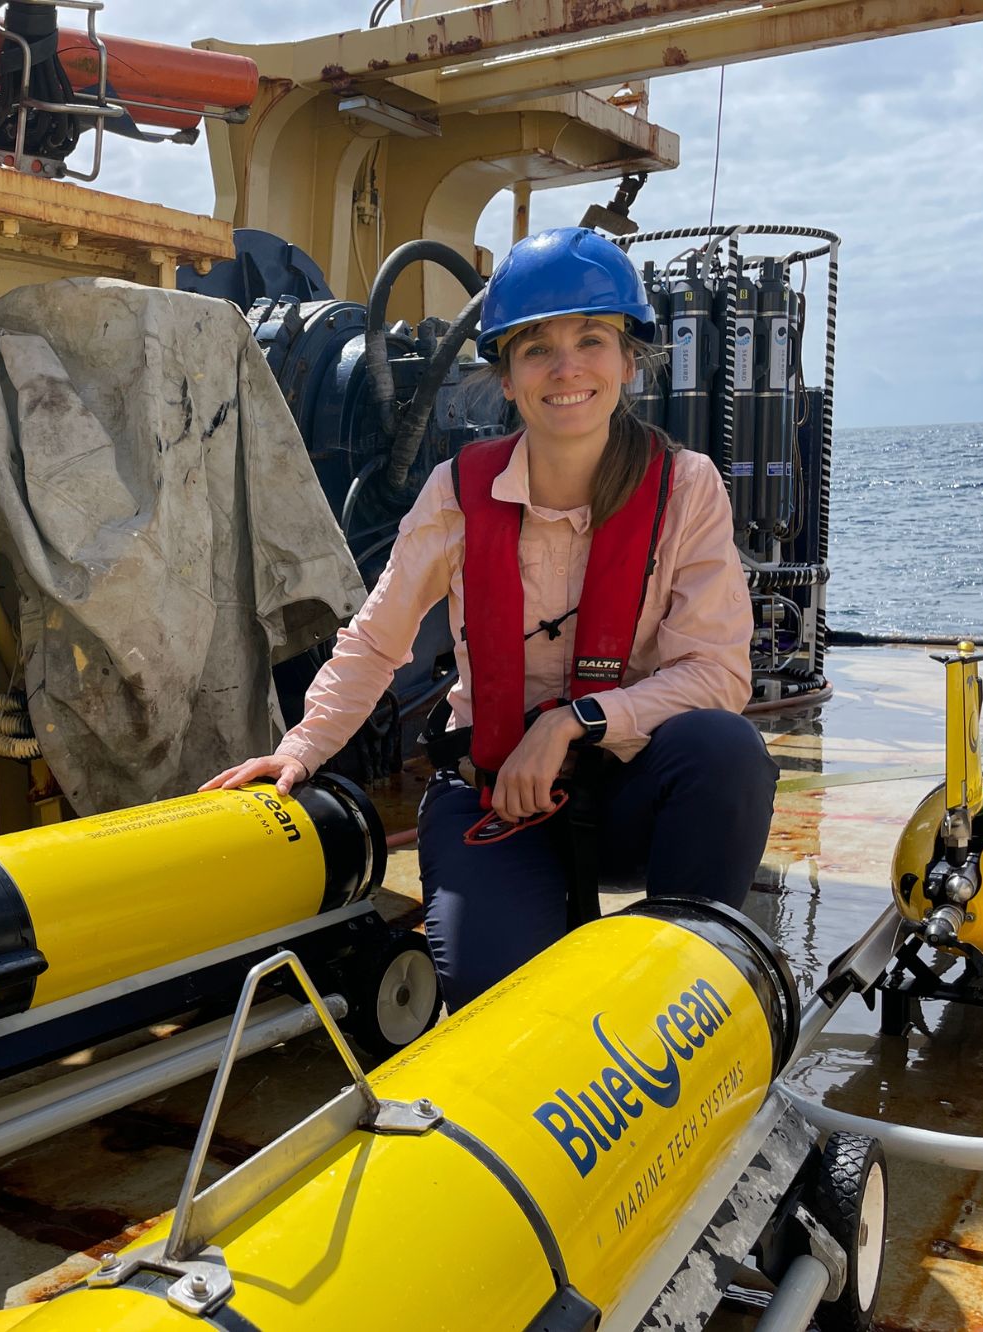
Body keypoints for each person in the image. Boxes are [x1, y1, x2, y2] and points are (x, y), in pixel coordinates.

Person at [203, 227, 777, 1010]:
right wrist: (299, 752)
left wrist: (575, 721)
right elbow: (377, 640)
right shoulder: (456, 492)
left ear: (627, 359)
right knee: (491, 994)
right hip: (494, 794)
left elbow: (717, 675)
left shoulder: (687, 488)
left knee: (726, 753)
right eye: (537, 348)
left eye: (592, 340)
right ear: (505, 377)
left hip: (631, 794)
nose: (567, 367)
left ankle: (687, 977)